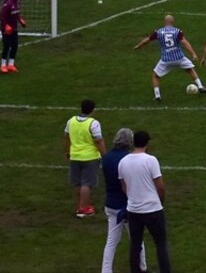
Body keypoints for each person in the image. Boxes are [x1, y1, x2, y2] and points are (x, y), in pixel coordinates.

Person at [119, 130, 172, 273]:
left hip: (133, 209)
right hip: (152, 209)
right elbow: (160, 186)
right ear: (147, 143)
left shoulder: (123, 162)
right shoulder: (150, 160)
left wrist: (133, 197)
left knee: (135, 244)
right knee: (161, 243)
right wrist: (160, 202)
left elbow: (124, 186)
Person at [100, 128, 147, 273]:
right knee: (137, 239)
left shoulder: (106, 157)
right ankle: (142, 267)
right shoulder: (128, 159)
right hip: (126, 205)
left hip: (111, 203)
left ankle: (106, 270)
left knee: (111, 241)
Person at [132, 15, 206, 102]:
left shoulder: (159, 32)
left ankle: (157, 96)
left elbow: (148, 39)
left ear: (165, 22)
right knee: (190, 70)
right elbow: (184, 43)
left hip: (166, 59)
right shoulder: (177, 31)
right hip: (179, 57)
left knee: (155, 76)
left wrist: (139, 46)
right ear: (173, 22)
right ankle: (200, 86)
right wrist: (193, 54)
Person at [65, 98, 107, 218]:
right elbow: (98, 140)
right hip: (90, 157)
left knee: (78, 183)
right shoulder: (93, 123)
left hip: (75, 156)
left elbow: (66, 137)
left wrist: (67, 151)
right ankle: (83, 209)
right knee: (87, 184)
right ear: (93, 110)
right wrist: (105, 155)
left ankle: (80, 206)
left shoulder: (71, 121)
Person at [0, 0, 26, 73]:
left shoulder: (17, 3)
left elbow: (17, 13)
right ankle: (3, 66)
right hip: (6, 29)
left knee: (15, 46)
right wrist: (6, 26)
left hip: (14, 28)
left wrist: (20, 20)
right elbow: (1, 16)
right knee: (6, 46)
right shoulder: (8, 4)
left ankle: (11, 64)